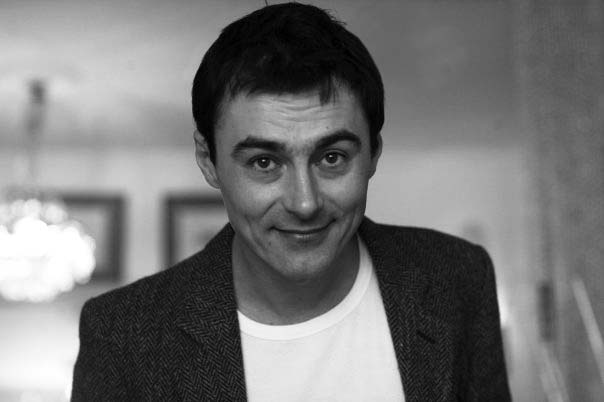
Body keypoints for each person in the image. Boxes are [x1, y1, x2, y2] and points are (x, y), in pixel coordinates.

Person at [71, 2, 511, 401]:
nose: (305, 203)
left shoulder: (458, 278)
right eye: (264, 162)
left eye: (332, 157)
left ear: (374, 152)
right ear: (209, 161)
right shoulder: (121, 338)